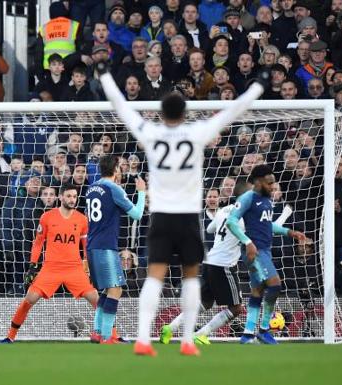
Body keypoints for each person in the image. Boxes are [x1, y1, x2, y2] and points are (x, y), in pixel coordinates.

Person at [98, 61, 269, 356]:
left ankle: (142, 338)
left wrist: (103, 73)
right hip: (189, 217)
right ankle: (187, 340)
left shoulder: (150, 133)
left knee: (154, 276)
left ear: (162, 113)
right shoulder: (197, 132)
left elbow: (120, 105)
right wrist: (260, 83)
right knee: (190, 276)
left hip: (161, 216)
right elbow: (235, 109)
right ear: (185, 113)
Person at [160, 182, 294, 344]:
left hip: (210, 263)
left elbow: (210, 229)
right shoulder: (246, 216)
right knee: (236, 308)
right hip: (224, 266)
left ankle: (170, 328)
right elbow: (271, 228)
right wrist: (286, 213)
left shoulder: (223, 211)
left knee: (205, 302)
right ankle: (201, 334)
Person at [0, 184, 98, 343]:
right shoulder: (47, 217)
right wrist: (33, 266)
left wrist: (89, 269)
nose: (72, 199)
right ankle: (10, 336)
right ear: (60, 197)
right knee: (29, 300)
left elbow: (85, 247)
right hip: (50, 268)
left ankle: (111, 335)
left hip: (74, 268)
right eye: (69, 196)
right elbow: (38, 243)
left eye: (74, 196)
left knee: (96, 299)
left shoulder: (82, 219)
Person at [227, 165, 305, 344]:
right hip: (254, 252)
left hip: (265, 251)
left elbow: (266, 224)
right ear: (258, 182)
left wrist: (288, 232)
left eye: (273, 183)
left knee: (258, 291)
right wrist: (248, 243)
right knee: (275, 285)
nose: (272, 187)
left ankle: (247, 334)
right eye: (269, 183)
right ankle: (263, 329)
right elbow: (231, 222)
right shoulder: (247, 198)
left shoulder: (267, 200)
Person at [86, 155, 146, 344]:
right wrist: (142, 192)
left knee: (106, 290)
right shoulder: (114, 188)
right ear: (116, 170)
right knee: (116, 289)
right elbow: (136, 214)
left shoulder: (91, 189)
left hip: (92, 245)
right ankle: (107, 336)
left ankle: (97, 332)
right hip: (105, 247)